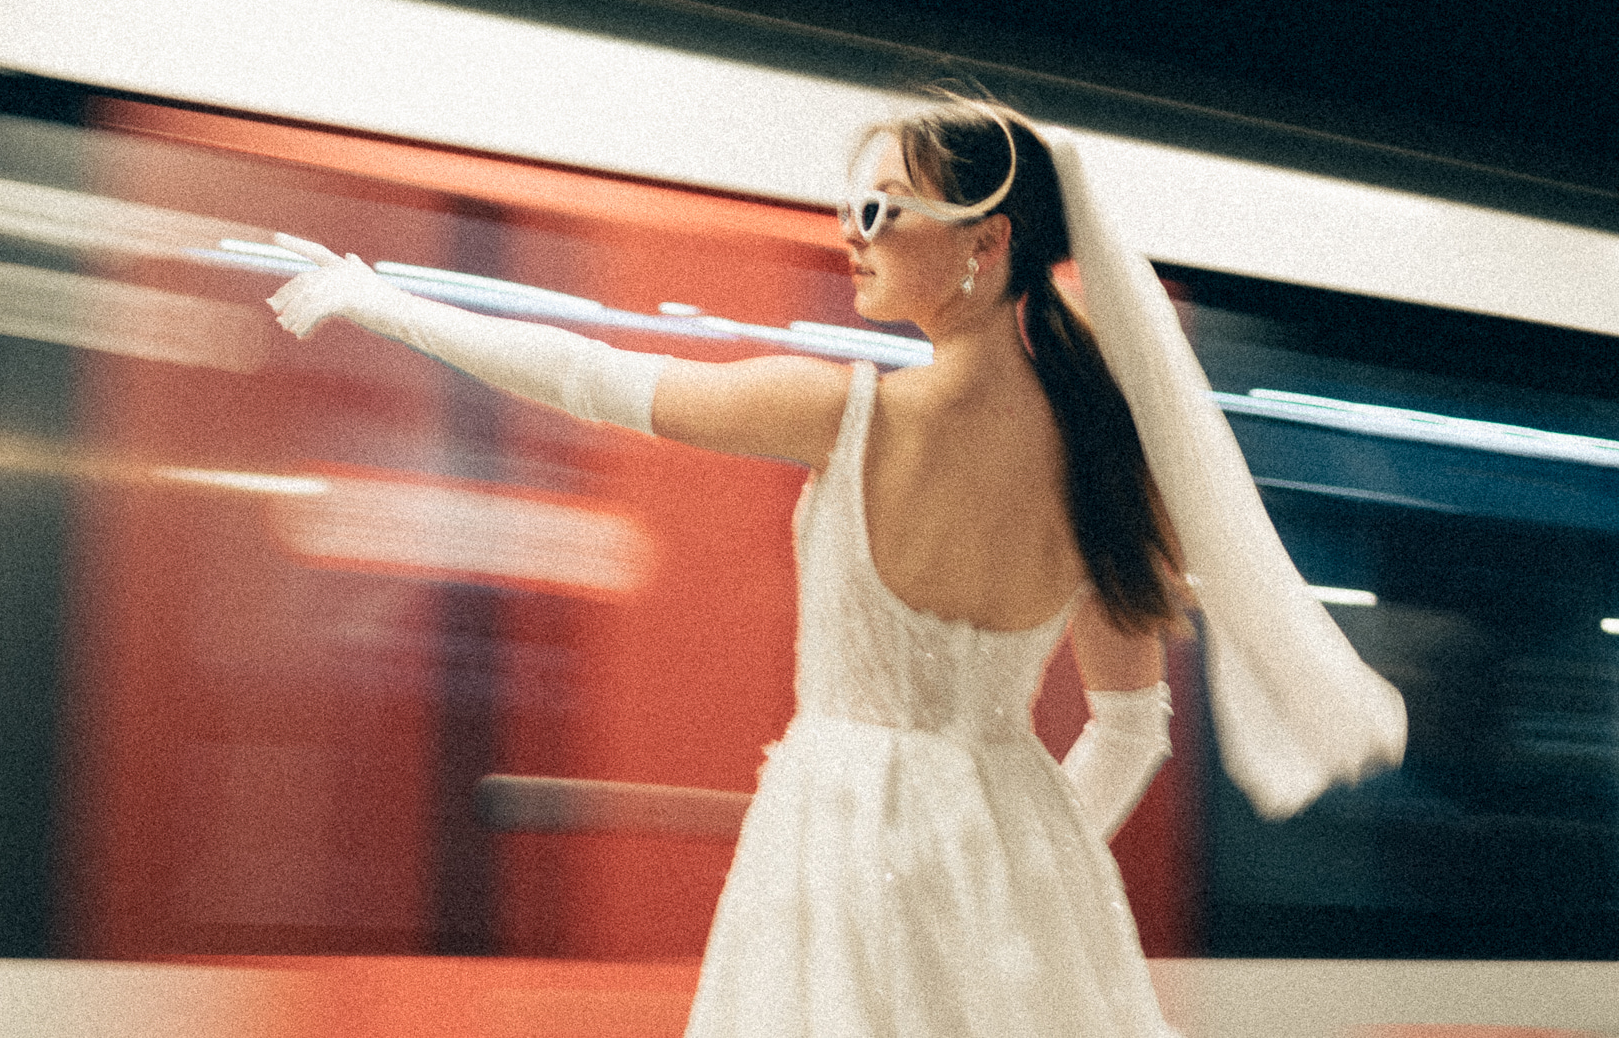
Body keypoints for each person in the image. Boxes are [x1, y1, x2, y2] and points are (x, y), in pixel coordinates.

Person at [265, 91, 1405, 1037]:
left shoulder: (848, 416)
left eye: (878, 209)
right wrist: (1004, 871)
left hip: (831, 855)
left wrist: (376, 299)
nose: (848, 234)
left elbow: (590, 378)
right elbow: (1131, 726)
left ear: (983, 242)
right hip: (1031, 897)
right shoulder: (1104, 471)